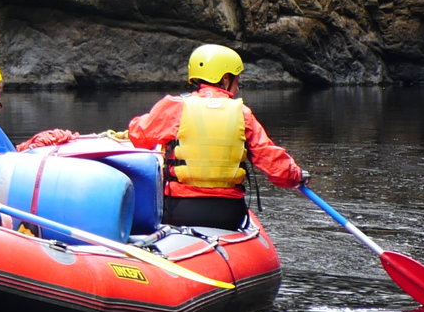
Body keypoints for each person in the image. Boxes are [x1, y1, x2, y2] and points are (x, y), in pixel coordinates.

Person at [124, 43, 303, 230]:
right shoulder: (243, 114)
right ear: (225, 79)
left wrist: (146, 118)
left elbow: (139, 136)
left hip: (180, 210)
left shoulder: (174, 107)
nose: (238, 88)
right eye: (237, 80)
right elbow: (273, 163)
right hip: (228, 213)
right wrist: (297, 175)